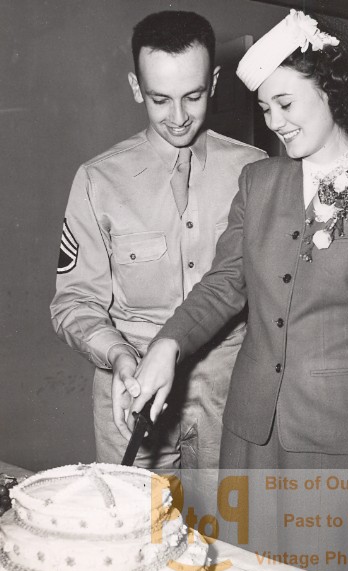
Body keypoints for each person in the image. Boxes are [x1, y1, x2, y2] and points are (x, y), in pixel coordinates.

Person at [122, 11, 348, 571]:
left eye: (286, 103)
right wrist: (169, 343)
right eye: (265, 109)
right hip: (251, 435)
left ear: (331, 89)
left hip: (340, 444)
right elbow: (224, 283)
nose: (275, 122)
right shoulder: (259, 184)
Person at [50, 11, 266, 472]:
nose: (178, 117)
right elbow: (74, 303)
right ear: (135, 87)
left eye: (193, 96)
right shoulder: (97, 181)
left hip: (228, 397)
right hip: (131, 396)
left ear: (214, 81)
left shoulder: (256, 171)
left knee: (226, 537)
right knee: (140, 535)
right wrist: (118, 354)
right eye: (159, 99)